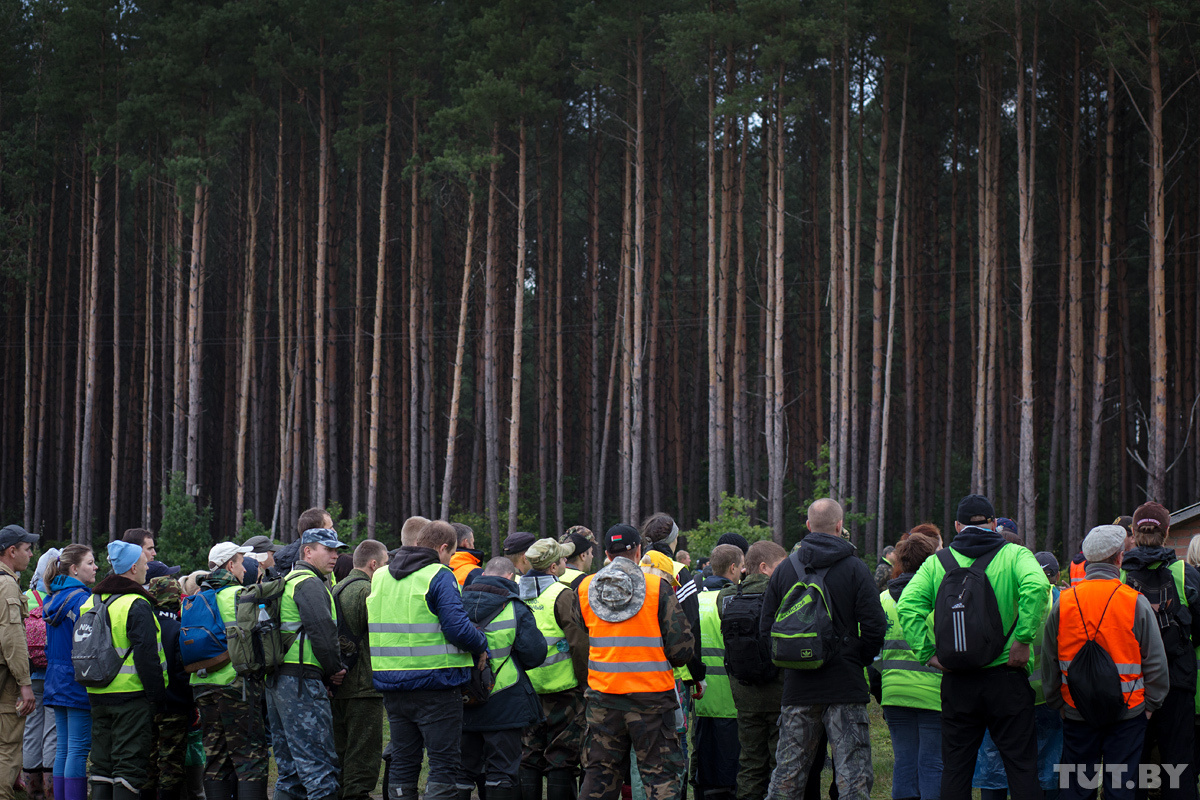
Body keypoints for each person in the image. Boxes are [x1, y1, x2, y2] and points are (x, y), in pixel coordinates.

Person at [897, 494, 1050, 800]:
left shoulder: (936, 563)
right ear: (994, 523)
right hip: (1007, 677)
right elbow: (1037, 586)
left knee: (956, 769)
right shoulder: (1015, 555)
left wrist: (928, 654)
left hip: (958, 680)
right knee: (1021, 767)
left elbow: (907, 606)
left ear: (957, 525)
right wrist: (1022, 639)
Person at [760, 499, 886, 800]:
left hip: (798, 686)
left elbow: (766, 630)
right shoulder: (855, 568)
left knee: (787, 779)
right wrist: (855, 658)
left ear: (808, 526)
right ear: (840, 526)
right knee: (852, 777)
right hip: (845, 684)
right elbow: (875, 627)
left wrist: (791, 661)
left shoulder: (785, 570)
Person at [1042, 524, 1169, 800]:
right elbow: (1156, 662)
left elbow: (1049, 660)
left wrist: (1057, 703)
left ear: (1086, 561)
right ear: (1119, 558)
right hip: (1128, 712)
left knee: (1076, 787)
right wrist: (1150, 706)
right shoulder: (1135, 602)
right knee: (1121, 787)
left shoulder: (1063, 603)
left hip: (1076, 709)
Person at [368, 520, 488, 800]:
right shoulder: (439, 574)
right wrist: (481, 644)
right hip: (436, 684)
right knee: (443, 765)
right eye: (452, 553)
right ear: (443, 548)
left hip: (392, 684)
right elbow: (457, 628)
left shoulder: (381, 575)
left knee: (404, 760)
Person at [576, 524, 693, 800]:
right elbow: (682, 650)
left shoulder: (584, 588)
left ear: (606, 553)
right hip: (652, 701)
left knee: (599, 778)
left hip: (603, 700)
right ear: (640, 550)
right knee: (661, 778)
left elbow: (584, 632)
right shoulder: (657, 587)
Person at [1121, 501, 1200, 800]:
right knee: (1179, 761)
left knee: (1132, 764)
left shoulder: (1120, 576)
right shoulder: (1184, 573)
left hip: (1131, 682)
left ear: (1133, 532)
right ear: (1167, 532)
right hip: (1177, 681)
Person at [266, 528, 347, 800]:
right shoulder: (309, 583)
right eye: (328, 549)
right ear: (308, 551)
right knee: (320, 769)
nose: (335, 555)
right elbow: (324, 634)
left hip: (278, 682)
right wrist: (335, 670)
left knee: (290, 774)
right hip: (301, 684)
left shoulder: (288, 580)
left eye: (337, 550)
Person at [459, 557, 546, 800]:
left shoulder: (455, 603)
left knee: (460, 772)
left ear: (484, 575)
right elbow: (535, 654)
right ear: (510, 577)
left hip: (461, 699)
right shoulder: (515, 607)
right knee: (501, 773)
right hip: (504, 702)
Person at [84, 539, 165, 800]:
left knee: (101, 765)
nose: (147, 566)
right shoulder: (135, 604)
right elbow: (147, 658)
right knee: (128, 768)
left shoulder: (92, 600)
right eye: (143, 562)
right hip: (131, 699)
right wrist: (156, 697)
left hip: (96, 693)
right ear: (132, 568)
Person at [190, 543, 267, 800]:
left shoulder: (196, 597)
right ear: (230, 565)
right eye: (241, 560)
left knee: (215, 759)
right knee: (249, 757)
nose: (245, 566)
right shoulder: (240, 595)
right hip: (237, 686)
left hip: (202, 685)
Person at [520, 539, 590, 800]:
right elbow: (578, 644)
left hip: (526, 689)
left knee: (528, 756)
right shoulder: (562, 594)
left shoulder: (515, 590)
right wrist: (587, 685)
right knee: (562, 756)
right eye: (562, 560)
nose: (566, 563)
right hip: (563, 691)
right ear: (552, 567)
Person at [716, 540, 786, 800]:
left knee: (750, 764)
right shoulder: (782, 595)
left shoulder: (727, 596)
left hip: (744, 693)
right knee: (781, 764)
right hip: (778, 693)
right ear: (765, 567)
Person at [876, 532, 942, 800]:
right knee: (932, 763)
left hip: (894, 693)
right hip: (934, 695)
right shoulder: (940, 600)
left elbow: (873, 651)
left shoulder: (883, 601)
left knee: (904, 762)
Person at [332, 539, 388, 800]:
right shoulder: (369, 591)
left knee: (341, 752)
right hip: (364, 686)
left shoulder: (335, 589)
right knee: (363, 754)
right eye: (385, 564)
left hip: (337, 683)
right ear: (373, 564)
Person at [43, 545, 96, 800]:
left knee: (64, 747)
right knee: (77, 748)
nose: (95, 567)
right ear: (74, 569)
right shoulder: (82, 599)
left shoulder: (52, 598)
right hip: (77, 679)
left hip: (55, 678)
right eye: (90, 563)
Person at [693, 544, 744, 800]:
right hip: (731, 699)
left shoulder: (695, 600)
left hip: (700, 699)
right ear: (733, 568)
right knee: (730, 772)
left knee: (705, 768)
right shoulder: (734, 600)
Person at [0, 525, 38, 800]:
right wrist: (25, 684)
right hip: (5, 682)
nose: (31, 554)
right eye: (27, 548)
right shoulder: (7, 584)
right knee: (8, 748)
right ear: (12, 551)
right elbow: (12, 637)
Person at [145, 576, 192, 800]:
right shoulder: (178, 628)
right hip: (175, 706)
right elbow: (184, 672)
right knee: (171, 764)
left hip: (145, 705)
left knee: (148, 760)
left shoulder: (142, 624)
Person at [22, 548, 60, 800]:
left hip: (30, 673)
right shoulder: (59, 596)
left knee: (31, 730)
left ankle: (30, 790)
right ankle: (50, 791)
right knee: (52, 731)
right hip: (54, 674)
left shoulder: (26, 595)